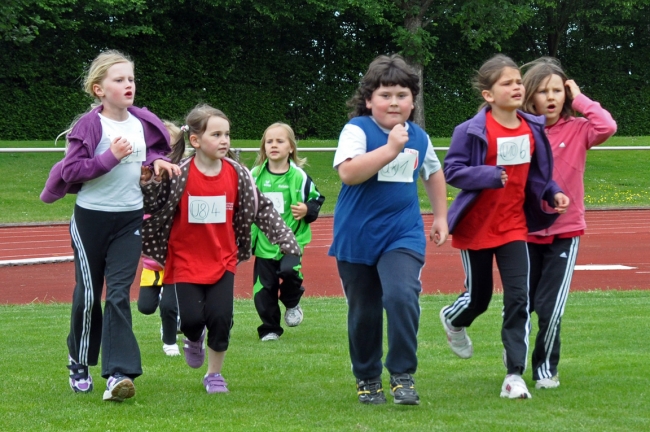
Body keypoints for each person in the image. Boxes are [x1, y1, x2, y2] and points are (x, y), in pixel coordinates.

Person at [40, 50, 180, 402]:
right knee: (88, 297)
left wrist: (158, 163)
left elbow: (149, 154)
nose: (128, 85)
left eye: (130, 78)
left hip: (129, 218)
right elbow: (71, 171)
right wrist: (109, 158)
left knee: (118, 295)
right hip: (90, 219)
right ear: (98, 89)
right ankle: (79, 359)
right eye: (119, 80)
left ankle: (118, 374)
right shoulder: (91, 125)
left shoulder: (142, 121)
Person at [140, 104, 301, 394]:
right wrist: (148, 184)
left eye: (227, 134)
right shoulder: (179, 173)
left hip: (222, 259)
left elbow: (261, 209)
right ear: (196, 140)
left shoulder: (238, 174)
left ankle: (214, 374)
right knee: (189, 320)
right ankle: (193, 337)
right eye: (216, 134)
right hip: (185, 258)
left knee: (221, 318)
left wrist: (285, 239)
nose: (224, 140)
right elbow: (153, 206)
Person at [439, 54, 570, 400]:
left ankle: (514, 375)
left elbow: (539, 177)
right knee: (479, 299)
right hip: (475, 228)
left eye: (518, 82)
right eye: (507, 83)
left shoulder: (532, 127)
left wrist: (553, 192)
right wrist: (486, 174)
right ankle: (454, 319)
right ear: (488, 94)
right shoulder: (469, 130)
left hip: (514, 227)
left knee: (518, 299)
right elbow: (452, 170)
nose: (517, 87)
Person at [328, 54, 449, 405]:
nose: (394, 102)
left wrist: (440, 216)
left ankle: (402, 373)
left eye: (402, 95)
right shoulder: (357, 130)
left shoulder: (420, 136)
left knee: (400, 296)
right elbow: (349, 173)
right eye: (385, 95)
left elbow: (433, 173)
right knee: (364, 311)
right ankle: (367, 377)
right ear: (369, 100)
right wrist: (391, 148)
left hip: (402, 234)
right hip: (357, 235)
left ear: (413, 100)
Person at [521, 57, 617, 389]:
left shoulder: (579, 129)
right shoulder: (523, 131)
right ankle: (513, 366)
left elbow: (607, 126)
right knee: (522, 305)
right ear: (530, 95)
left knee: (550, 307)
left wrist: (580, 98)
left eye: (557, 90)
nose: (550, 97)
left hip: (565, 231)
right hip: (525, 230)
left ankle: (545, 369)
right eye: (542, 91)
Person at [250, 122, 325, 341]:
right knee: (264, 290)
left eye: (280, 141)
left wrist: (307, 209)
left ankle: (292, 302)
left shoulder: (299, 177)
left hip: (292, 241)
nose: (274, 145)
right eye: (269, 141)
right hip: (264, 245)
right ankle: (270, 328)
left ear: (291, 147)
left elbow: (316, 199)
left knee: (290, 272)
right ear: (264, 147)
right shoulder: (255, 175)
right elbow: (243, 202)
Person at [137, 120, 184, 357]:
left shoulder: (181, 176)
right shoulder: (144, 176)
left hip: (175, 258)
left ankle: (170, 342)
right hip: (151, 261)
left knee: (169, 306)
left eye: (169, 148)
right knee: (145, 307)